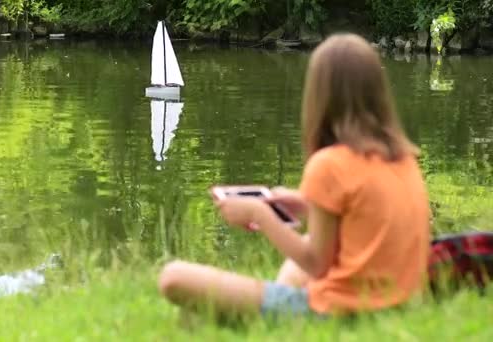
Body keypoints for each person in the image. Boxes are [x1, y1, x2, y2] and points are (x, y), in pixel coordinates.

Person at [157, 33, 431, 318]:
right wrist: (304, 204)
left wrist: (260, 213)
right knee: (295, 263)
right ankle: (266, 321)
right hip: (397, 304)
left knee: (173, 277)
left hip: (337, 311)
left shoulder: (329, 164)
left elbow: (317, 264)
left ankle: (274, 316)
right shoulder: (403, 158)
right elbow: (365, 216)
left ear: (319, 95)